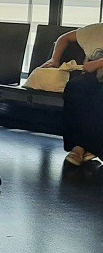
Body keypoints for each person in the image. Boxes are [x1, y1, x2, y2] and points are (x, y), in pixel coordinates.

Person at [42, 24, 103, 165]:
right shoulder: (95, 31)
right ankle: (78, 146)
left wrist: (97, 63)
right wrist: (54, 59)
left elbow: (90, 66)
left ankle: (94, 147)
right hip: (93, 75)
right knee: (75, 88)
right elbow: (64, 38)